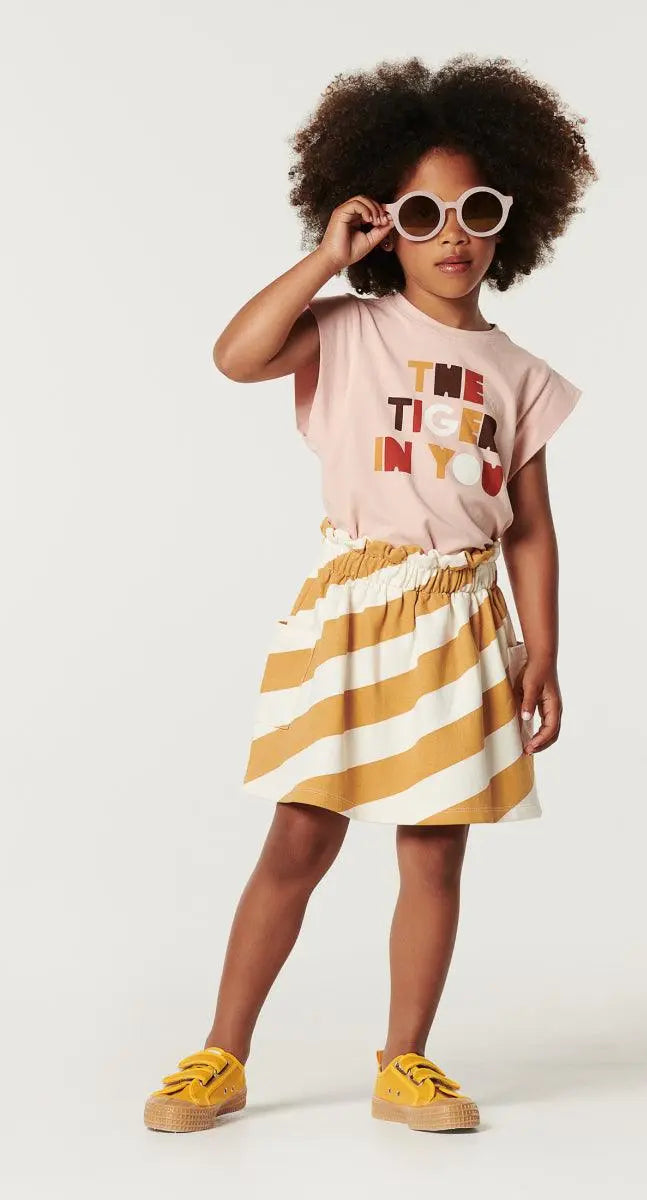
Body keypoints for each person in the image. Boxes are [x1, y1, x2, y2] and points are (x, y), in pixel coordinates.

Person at [143, 52, 596, 1135]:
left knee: (434, 847)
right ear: (384, 224)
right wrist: (323, 260)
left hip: (460, 622)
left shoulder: (520, 374)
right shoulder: (347, 328)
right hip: (351, 613)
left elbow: (530, 526)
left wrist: (541, 650)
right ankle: (220, 1055)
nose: (452, 235)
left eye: (475, 210)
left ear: (510, 221)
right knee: (300, 838)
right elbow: (234, 356)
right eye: (422, 212)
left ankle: (407, 1063)